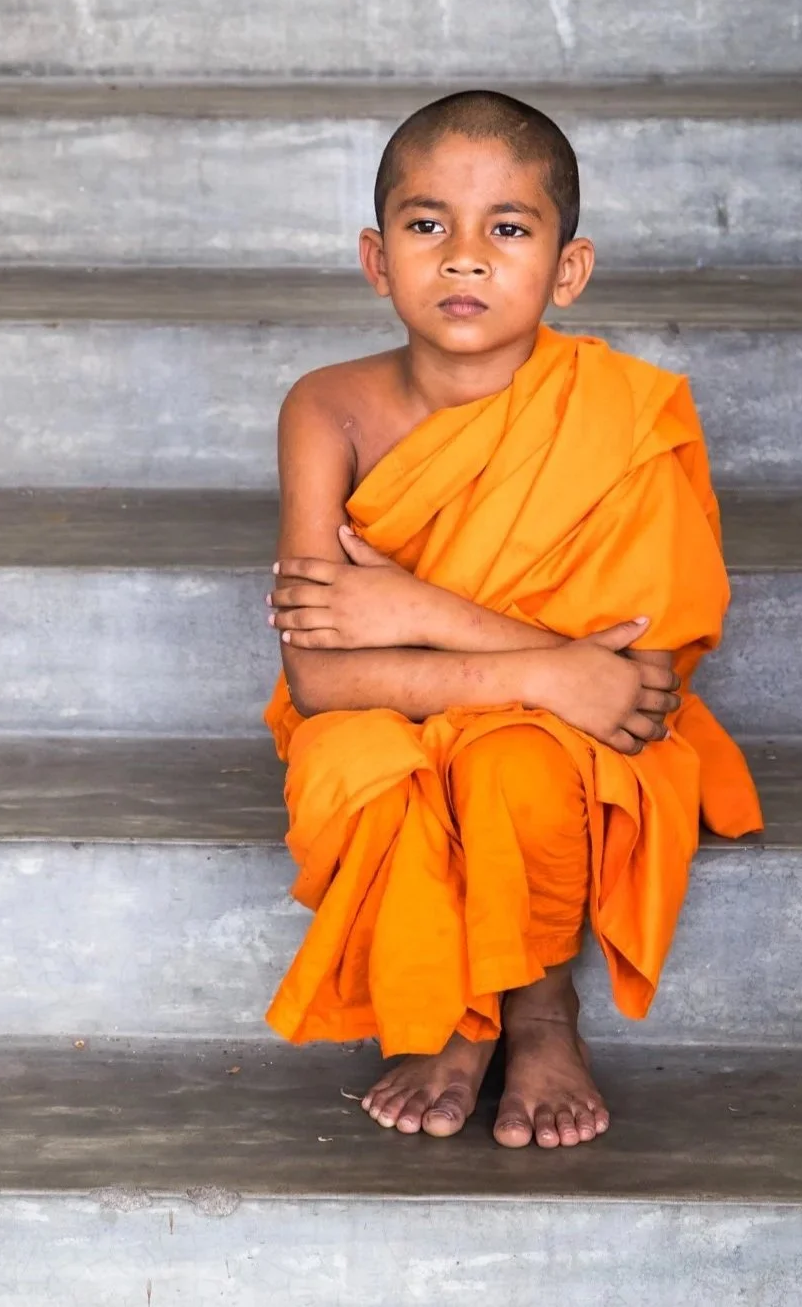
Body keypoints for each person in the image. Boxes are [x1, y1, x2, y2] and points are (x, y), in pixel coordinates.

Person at [263, 89, 762, 1149]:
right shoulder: (329, 408)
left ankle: (536, 1008)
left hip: (560, 736)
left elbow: (643, 687)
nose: (464, 257)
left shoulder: (620, 417)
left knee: (515, 767)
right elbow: (321, 682)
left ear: (567, 270)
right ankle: (452, 1007)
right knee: (353, 763)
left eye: (510, 228)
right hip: (435, 707)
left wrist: (414, 610)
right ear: (375, 255)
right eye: (427, 222)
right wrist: (549, 667)